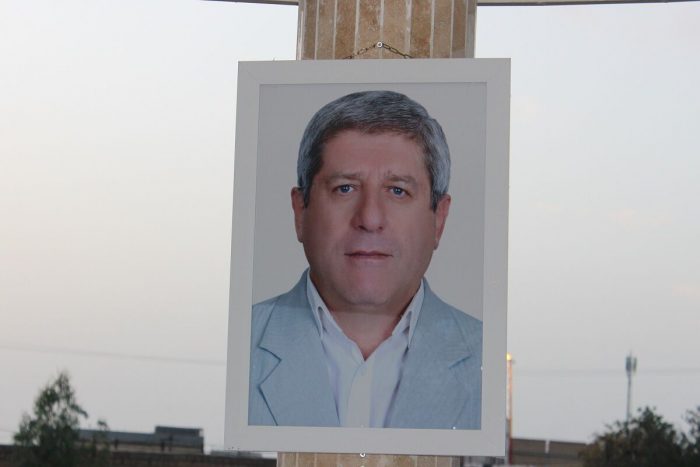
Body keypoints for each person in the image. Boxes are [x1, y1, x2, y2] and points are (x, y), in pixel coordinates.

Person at [248, 90, 482, 429]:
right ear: (300, 211)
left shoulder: (486, 361)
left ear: (439, 219)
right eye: (345, 188)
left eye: (398, 190)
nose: (370, 218)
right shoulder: (238, 344)